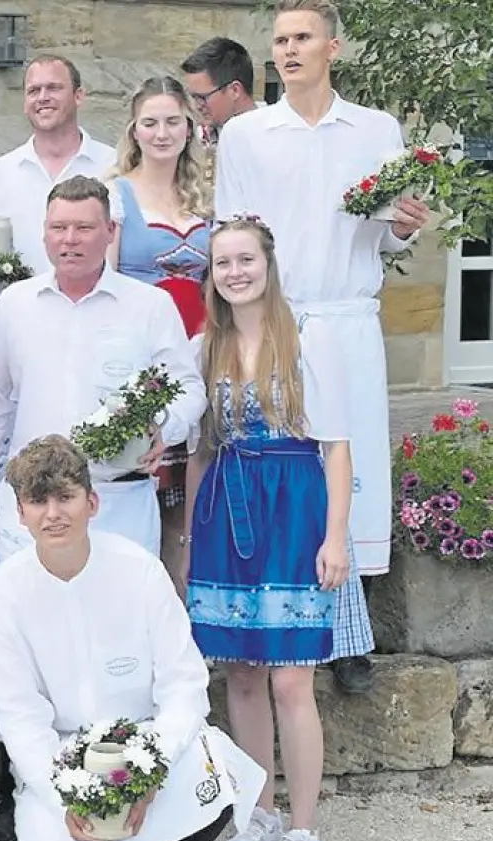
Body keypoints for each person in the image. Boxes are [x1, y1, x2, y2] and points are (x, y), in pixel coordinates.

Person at [0, 175, 205, 841]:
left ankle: (121, 777)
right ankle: (20, 795)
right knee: (26, 654)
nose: (70, 240)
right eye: (58, 228)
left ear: (111, 233)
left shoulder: (148, 306)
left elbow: (186, 386)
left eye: (84, 227)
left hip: (116, 502)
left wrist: (168, 427)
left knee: (110, 653)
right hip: (30, 511)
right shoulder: (17, 305)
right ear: (43, 233)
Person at [214, 0, 430, 694]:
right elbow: (232, 229)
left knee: (350, 461)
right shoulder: (247, 134)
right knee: (283, 465)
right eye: (280, 39)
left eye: (304, 36)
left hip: (346, 318)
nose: (289, 49)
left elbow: (391, 232)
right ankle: (279, 614)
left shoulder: (375, 129)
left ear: (333, 47)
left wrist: (405, 225)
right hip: (276, 319)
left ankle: (348, 632)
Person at [0, 435, 265, 841]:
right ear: (19, 513)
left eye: (65, 497)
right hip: (62, 758)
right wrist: (66, 792)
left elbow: (184, 685)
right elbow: (20, 718)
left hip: (146, 743)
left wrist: (150, 772)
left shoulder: (140, 570)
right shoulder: (0, 597)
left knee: (217, 773)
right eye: (38, 501)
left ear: (91, 502)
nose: (54, 514)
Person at [185, 218, 354, 841]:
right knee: (243, 674)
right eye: (222, 262)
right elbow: (201, 448)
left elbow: (337, 445)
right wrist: (189, 540)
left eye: (244, 259)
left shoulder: (309, 338)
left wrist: (335, 536)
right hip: (227, 509)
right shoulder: (205, 347)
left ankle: (305, 832)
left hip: (294, 507)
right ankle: (261, 814)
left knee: (290, 678)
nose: (234, 272)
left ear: (267, 263)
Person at [107, 76, 213, 593]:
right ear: (134, 129)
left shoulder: (204, 196)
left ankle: (182, 622)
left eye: (173, 121)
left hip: (202, 350)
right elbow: (104, 283)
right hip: (145, 357)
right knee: (145, 492)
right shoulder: (117, 194)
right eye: (151, 122)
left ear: (189, 128)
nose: (162, 132)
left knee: (186, 512)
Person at [0, 55, 118, 279]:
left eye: (53, 88)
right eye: (34, 91)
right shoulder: (0, 173)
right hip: (17, 310)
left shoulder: (113, 166)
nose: (43, 98)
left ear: (78, 96)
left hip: (96, 307)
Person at [179, 38, 261, 143]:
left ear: (235, 90)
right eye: (193, 97)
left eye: (202, 97)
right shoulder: (194, 140)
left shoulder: (275, 138)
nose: (197, 106)